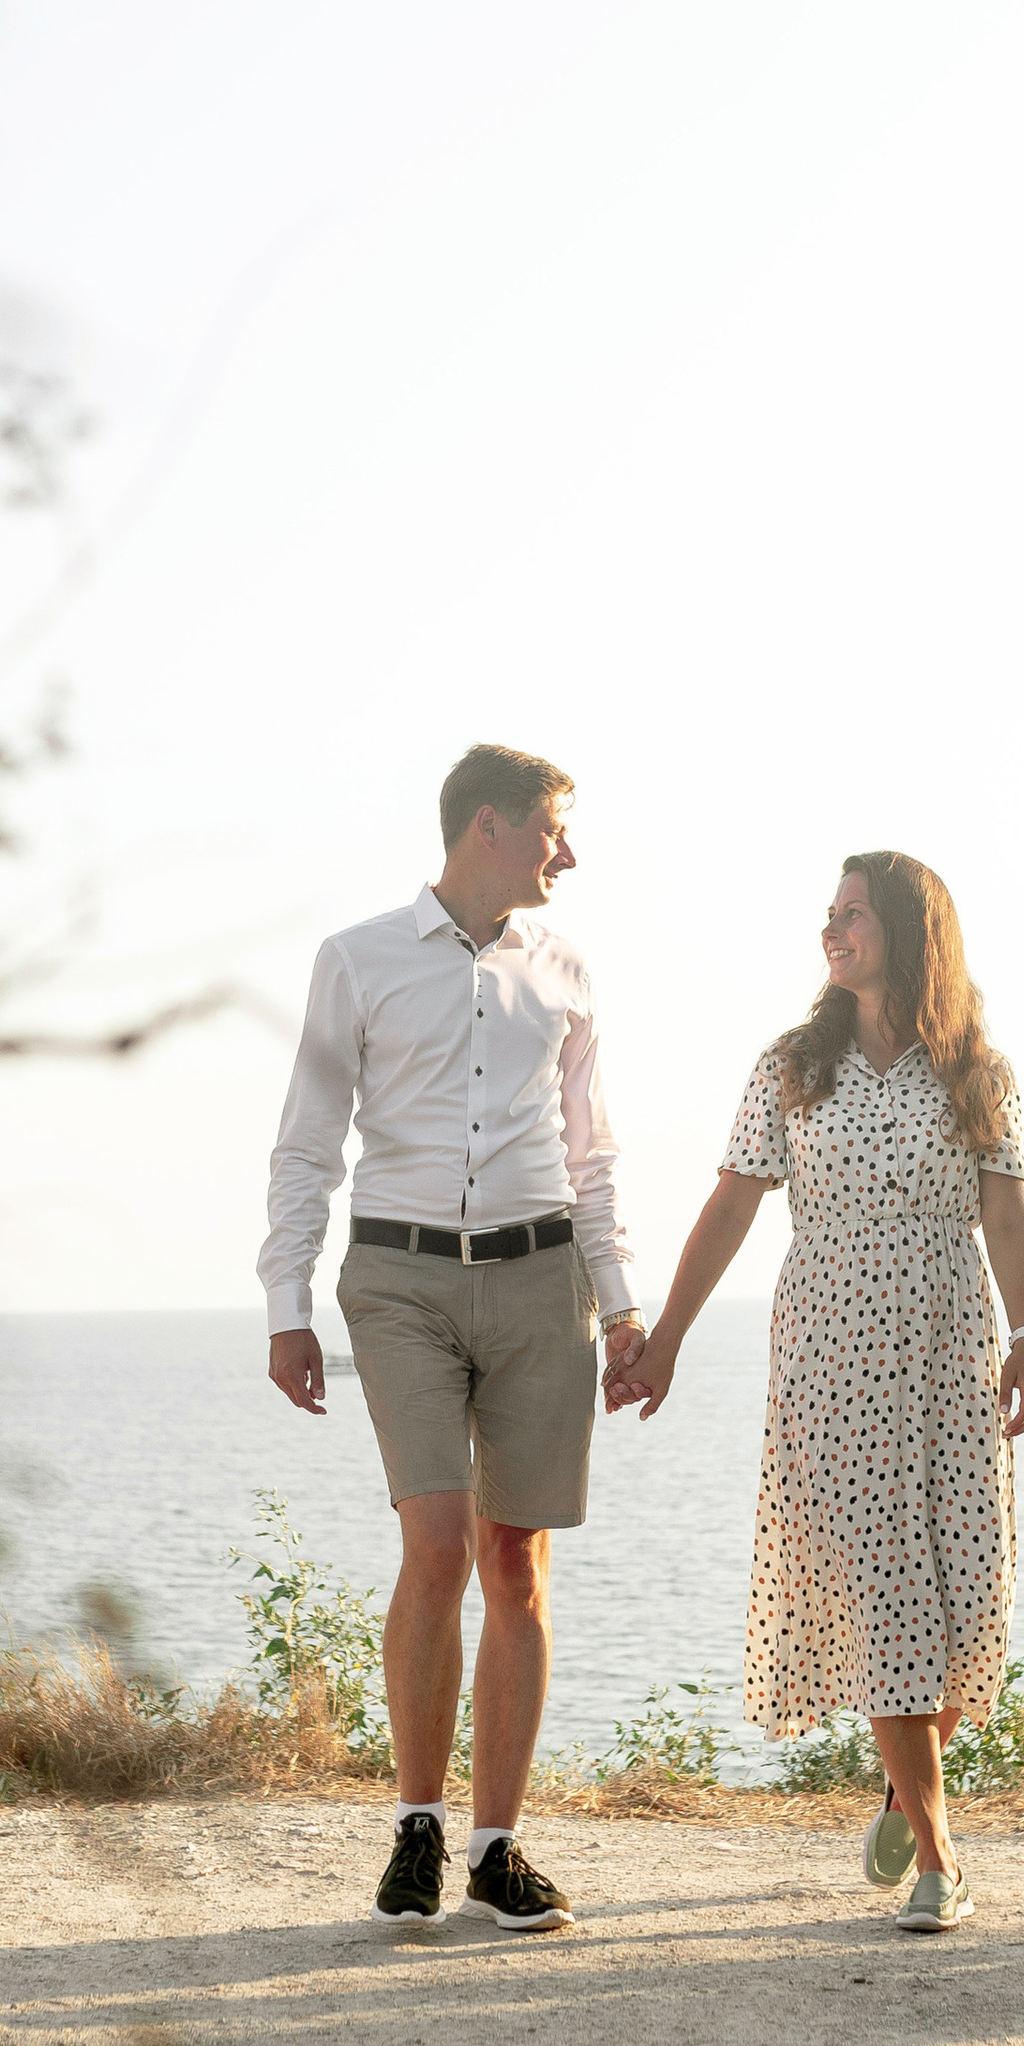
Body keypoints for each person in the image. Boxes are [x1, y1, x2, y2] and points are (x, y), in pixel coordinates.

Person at [609, 851, 1024, 1932]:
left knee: (969, 1605)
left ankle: (904, 1783)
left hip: (949, 1347)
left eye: (852, 914)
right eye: (828, 913)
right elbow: (727, 1209)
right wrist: (661, 1342)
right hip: (830, 1350)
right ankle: (941, 1858)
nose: (831, 929)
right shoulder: (791, 1066)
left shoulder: (977, 1071)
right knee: (886, 1591)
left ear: (906, 931)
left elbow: (1004, 1214)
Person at [261, 744, 647, 1933]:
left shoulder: (568, 971)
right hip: (400, 1283)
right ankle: (415, 1829)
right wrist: (287, 1304)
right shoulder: (357, 960)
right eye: (552, 830)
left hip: (541, 1286)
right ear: (488, 826)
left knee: (516, 1563)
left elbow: (591, 1157)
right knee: (437, 1547)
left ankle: (494, 1847)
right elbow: (308, 1139)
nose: (567, 854)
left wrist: (620, 1301)